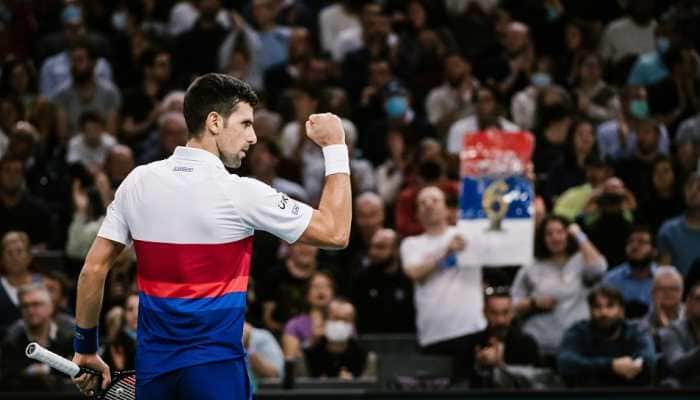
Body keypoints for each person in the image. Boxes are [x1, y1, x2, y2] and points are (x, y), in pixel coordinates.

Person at [70, 74, 352, 399]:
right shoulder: (241, 193)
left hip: (153, 372)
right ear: (215, 122)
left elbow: (92, 271)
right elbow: (335, 231)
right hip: (217, 371)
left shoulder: (137, 182)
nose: (254, 137)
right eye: (246, 124)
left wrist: (86, 348)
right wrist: (335, 147)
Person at [400, 186, 486, 354]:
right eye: (422, 202)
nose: (429, 205)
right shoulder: (411, 244)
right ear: (417, 214)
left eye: (435, 200)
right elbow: (413, 272)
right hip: (433, 334)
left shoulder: (466, 235)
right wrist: (445, 252)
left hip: (470, 329)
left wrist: (521, 181)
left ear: (448, 209)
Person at [512, 215, 607, 362]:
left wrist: (579, 235)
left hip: (577, 345)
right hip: (539, 344)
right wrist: (533, 303)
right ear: (542, 238)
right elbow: (512, 304)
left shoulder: (581, 260)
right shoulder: (530, 267)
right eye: (549, 234)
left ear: (568, 235)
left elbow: (599, 270)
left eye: (560, 232)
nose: (555, 237)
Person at [558, 285, 656, 387]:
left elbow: (648, 359)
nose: (604, 312)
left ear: (621, 311)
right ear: (590, 311)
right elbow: (566, 362)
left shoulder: (636, 330)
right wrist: (612, 366)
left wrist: (630, 366)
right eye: (597, 307)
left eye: (610, 306)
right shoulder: (578, 331)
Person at [452, 287, 540, 387]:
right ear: (484, 313)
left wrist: (502, 366)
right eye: (494, 313)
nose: (500, 320)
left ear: (512, 313)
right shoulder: (469, 342)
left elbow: (533, 383)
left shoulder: (526, 343)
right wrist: (478, 365)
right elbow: (458, 382)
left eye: (505, 313)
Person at [0, 283, 74, 391]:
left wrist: (47, 370)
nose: (30, 310)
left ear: (51, 307)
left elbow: (76, 372)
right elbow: (7, 377)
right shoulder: (11, 340)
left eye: (36, 304)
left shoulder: (69, 337)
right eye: (25, 306)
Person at [603, 225, 658, 318]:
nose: (634, 246)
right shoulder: (611, 280)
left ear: (654, 251)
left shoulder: (663, 278)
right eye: (630, 242)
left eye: (641, 242)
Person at [304, 298, 367, 379]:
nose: (340, 323)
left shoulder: (362, 355)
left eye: (345, 319)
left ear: (353, 324)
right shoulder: (309, 355)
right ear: (324, 321)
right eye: (336, 318)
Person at [658, 281, 700, 387]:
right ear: (688, 302)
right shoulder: (672, 331)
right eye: (699, 299)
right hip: (685, 388)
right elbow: (676, 364)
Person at [657, 172, 700, 277]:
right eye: (689, 186)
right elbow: (664, 273)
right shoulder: (669, 230)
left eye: (699, 187)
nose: (693, 192)